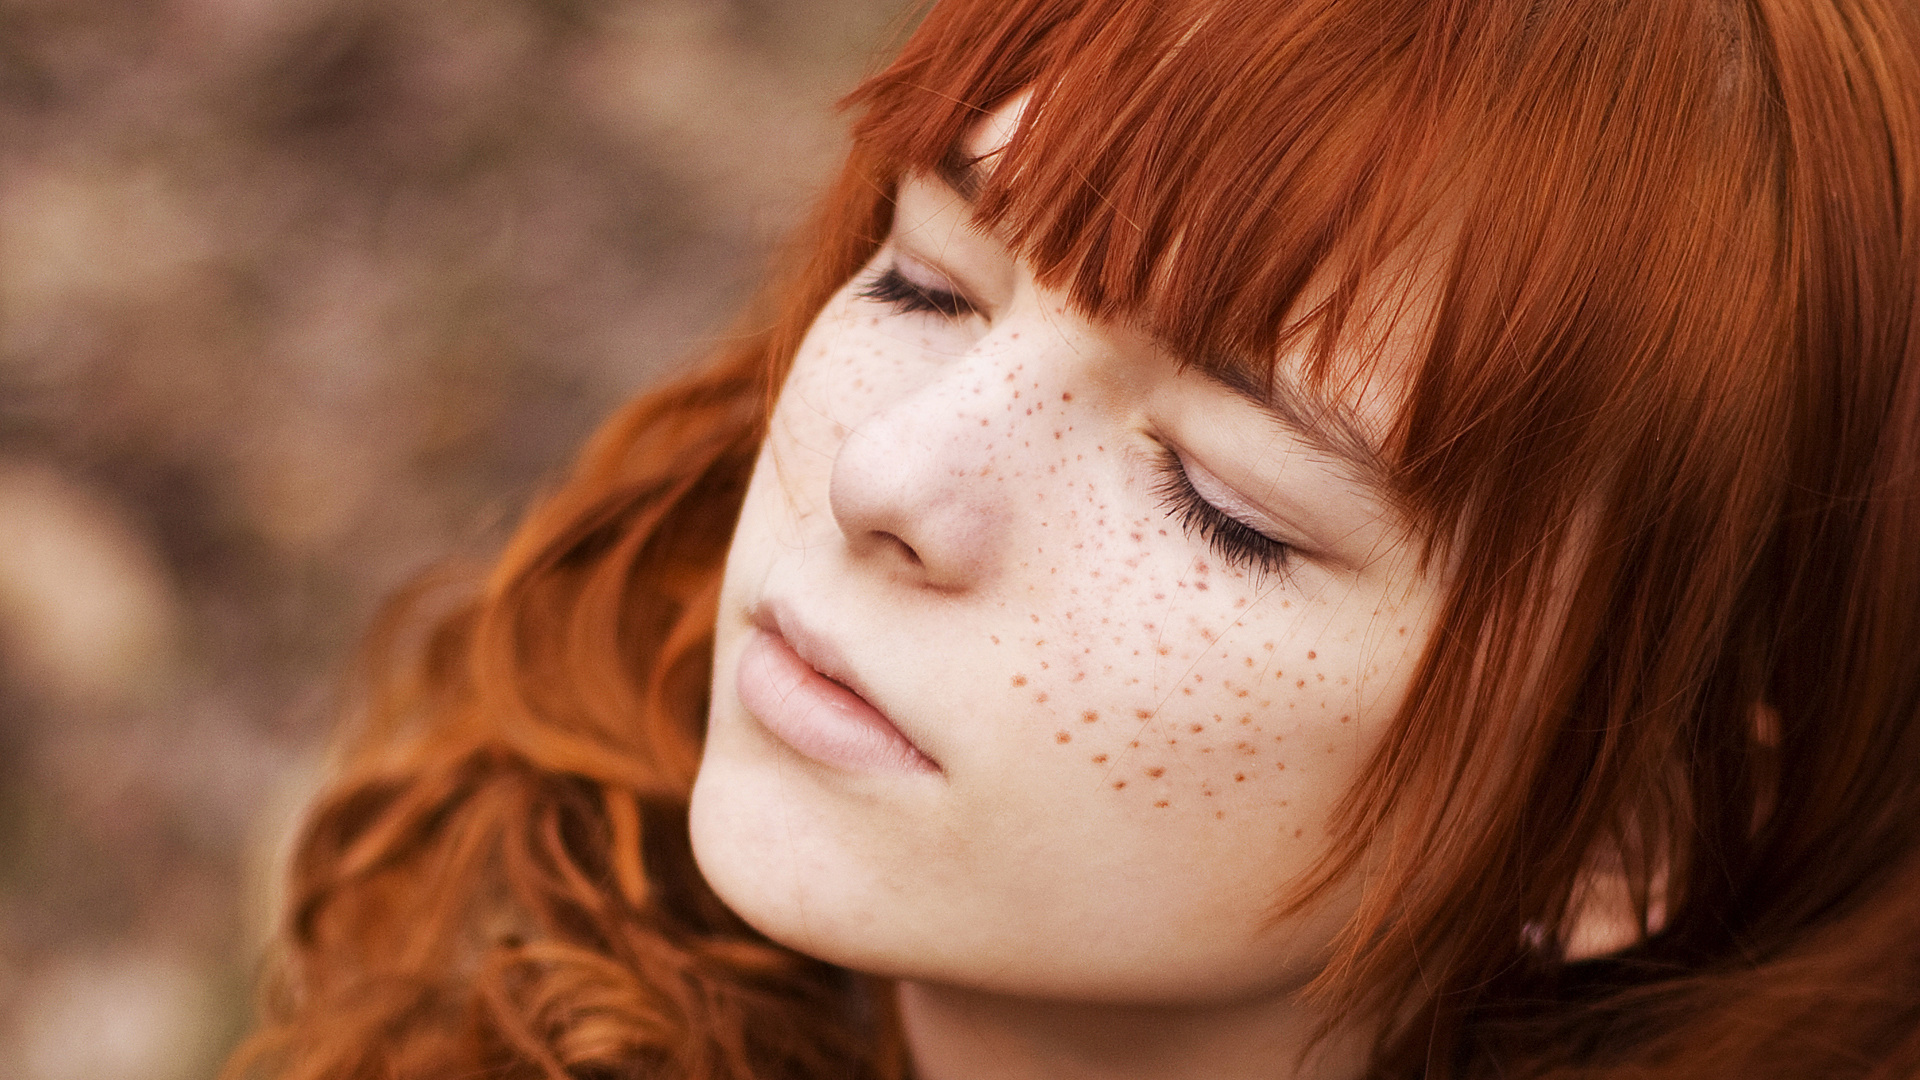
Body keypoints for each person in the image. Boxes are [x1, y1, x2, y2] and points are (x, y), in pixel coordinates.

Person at [222, 0, 1920, 1077]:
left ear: (1619, 831)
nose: (890, 474)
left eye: (1225, 502)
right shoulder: (487, 958)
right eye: (925, 279)